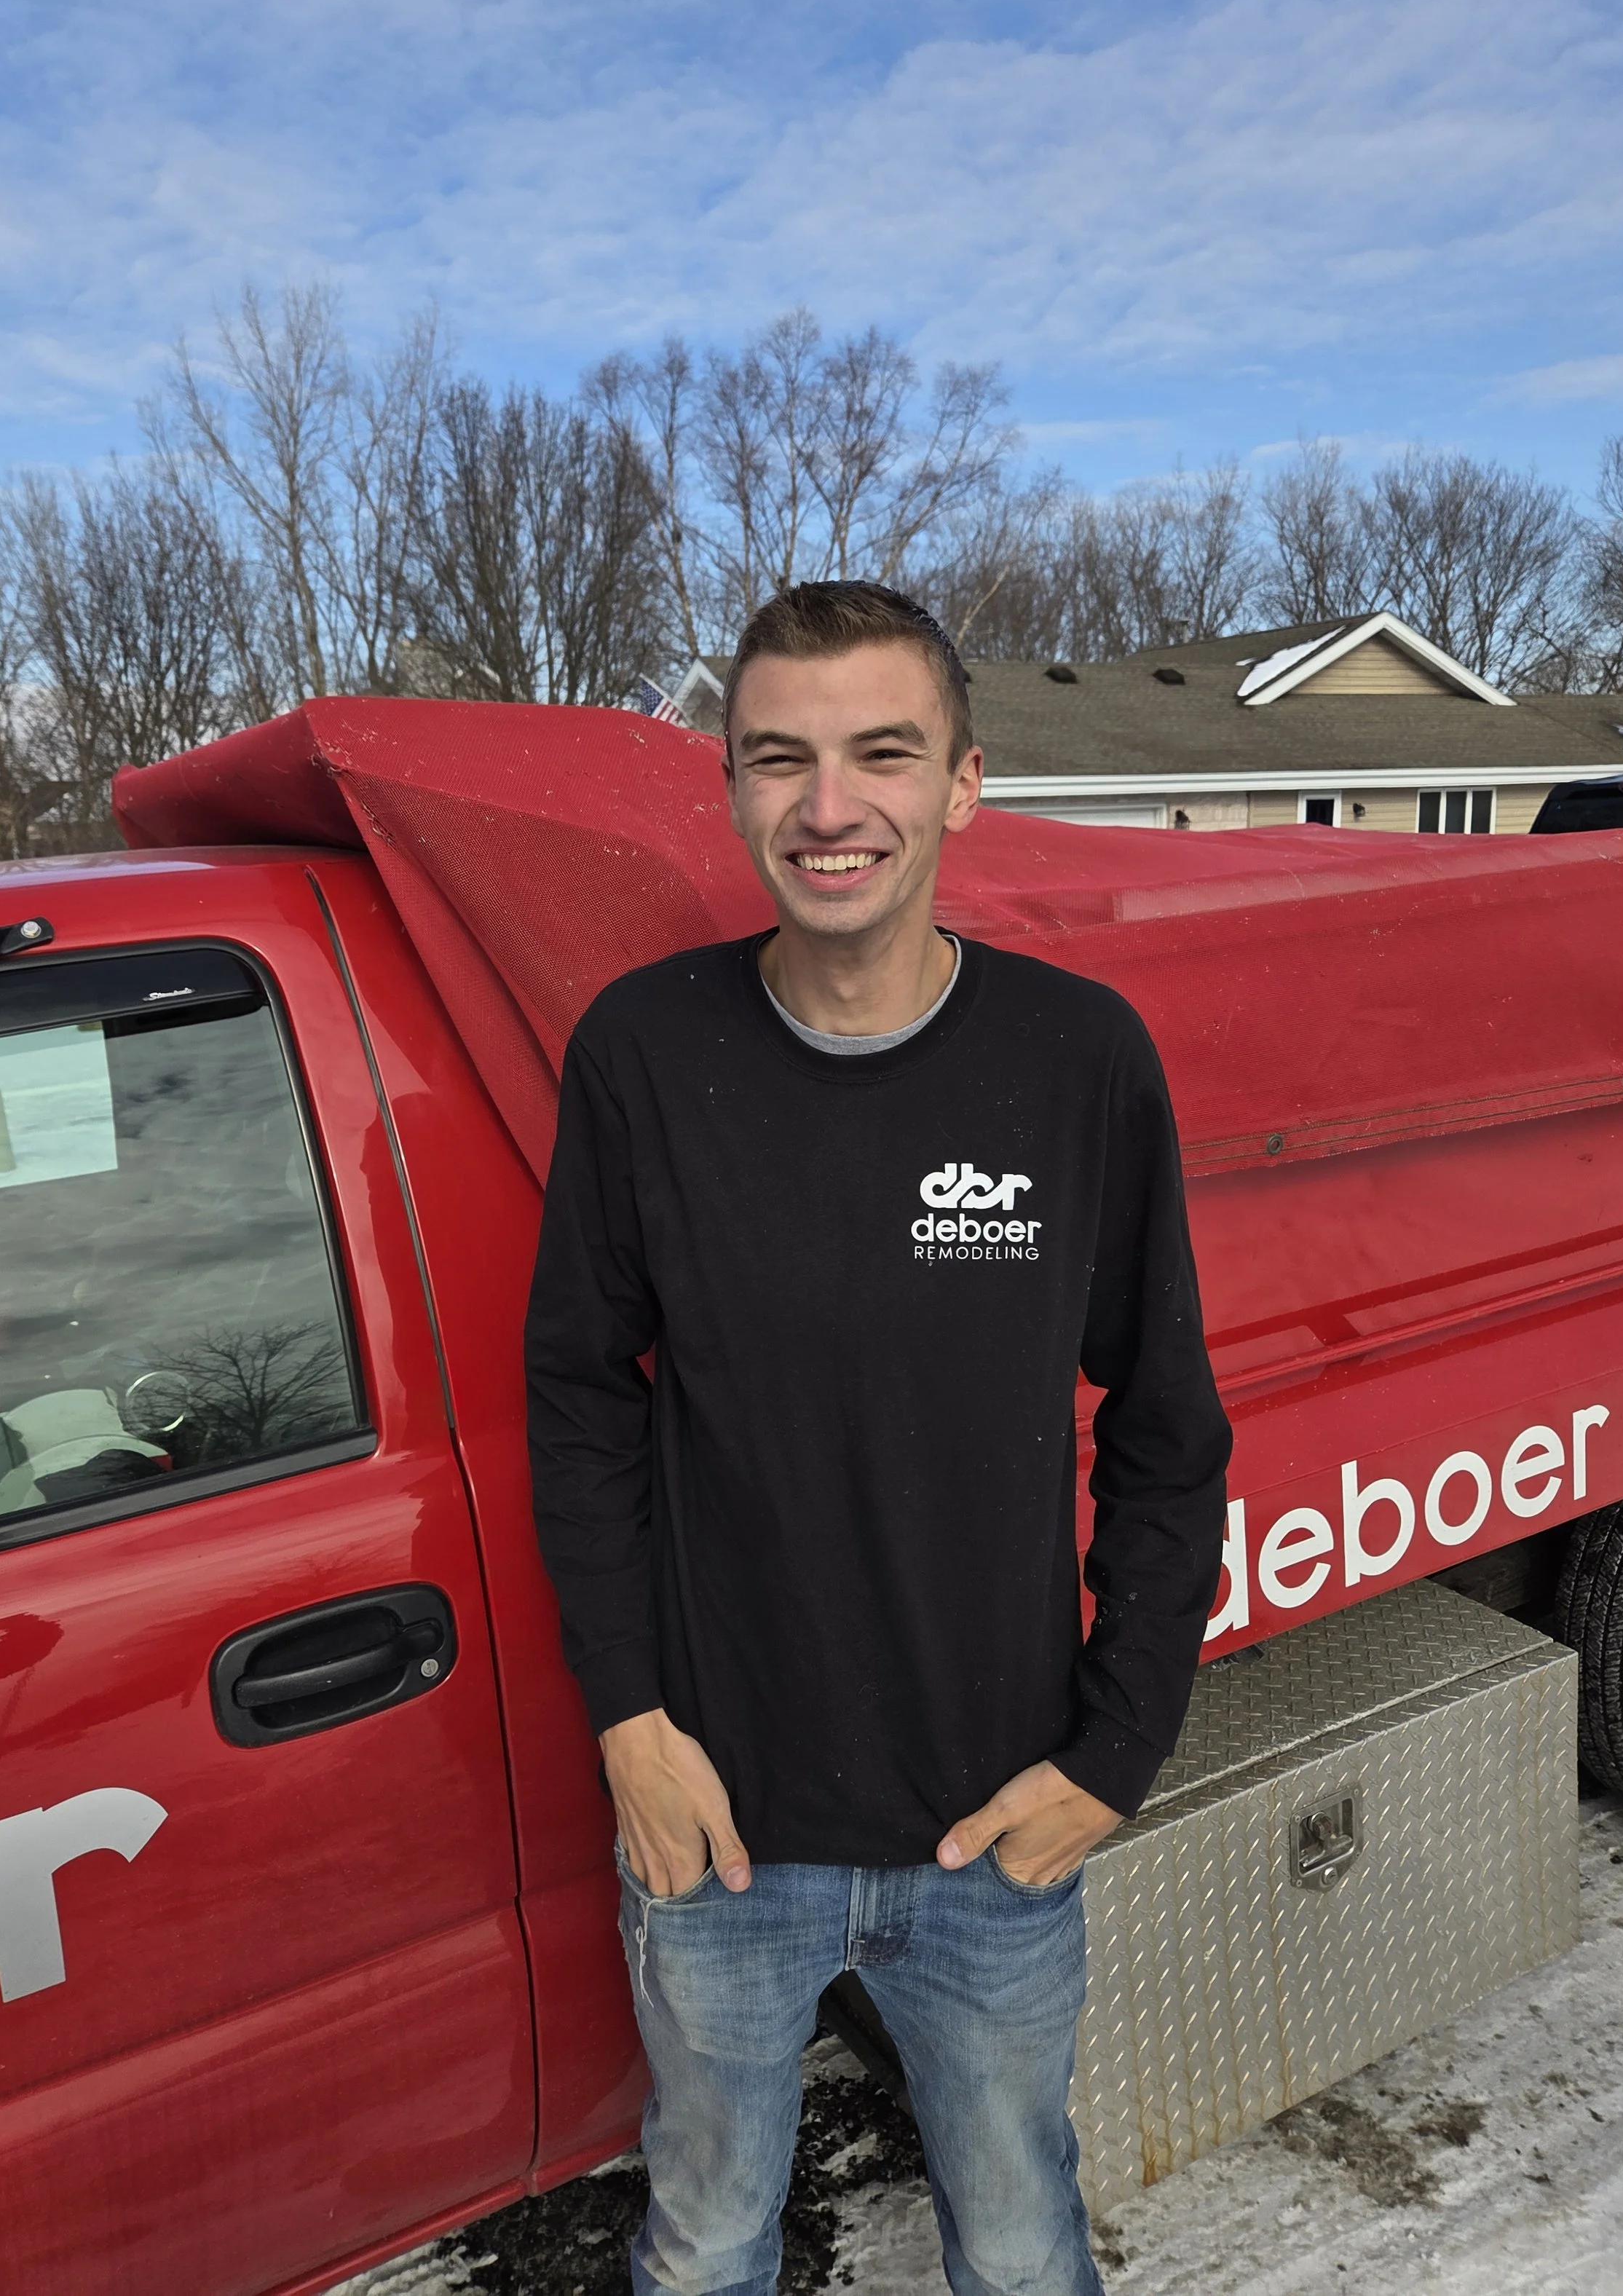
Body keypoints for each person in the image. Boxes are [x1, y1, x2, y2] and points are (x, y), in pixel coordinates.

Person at [526, 580, 1232, 2296]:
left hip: (989, 1835)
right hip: (718, 1834)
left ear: (962, 786)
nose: (826, 806)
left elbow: (1163, 1428)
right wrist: (628, 1720)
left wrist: (1111, 1753)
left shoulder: (1076, 1062)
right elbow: (573, 1396)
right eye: (780, 757)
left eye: (879, 755)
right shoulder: (642, 1050)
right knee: (700, 2241)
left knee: (1015, 2235)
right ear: (731, 785)